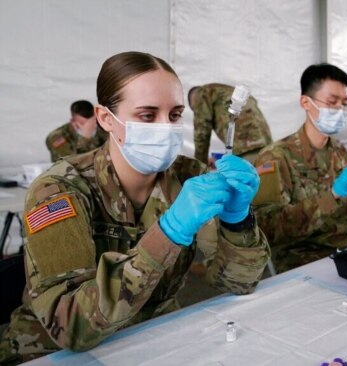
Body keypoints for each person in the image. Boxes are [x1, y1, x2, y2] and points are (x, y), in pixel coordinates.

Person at [0, 52, 269, 364]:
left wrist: (237, 221)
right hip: (54, 354)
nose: (166, 127)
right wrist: (168, 234)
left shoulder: (188, 176)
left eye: (175, 115)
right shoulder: (59, 190)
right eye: (147, 115)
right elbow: (71, 327)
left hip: (154, 336)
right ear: (105, 119)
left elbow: (240, 281)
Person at [253, 63, 347, 274]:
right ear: (306, 102)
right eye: (332, 102)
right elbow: (268, 228)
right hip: (301, 261)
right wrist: (332, 195)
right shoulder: (275, 157)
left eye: (344, 103)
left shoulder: (340, 154)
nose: (339, 110)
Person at [188, 83, 273, 165]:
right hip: (265, 140)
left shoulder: (201, 94)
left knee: (248, 176)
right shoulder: (224, 91)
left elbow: (201, 132)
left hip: (245, 143)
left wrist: (200, 164)